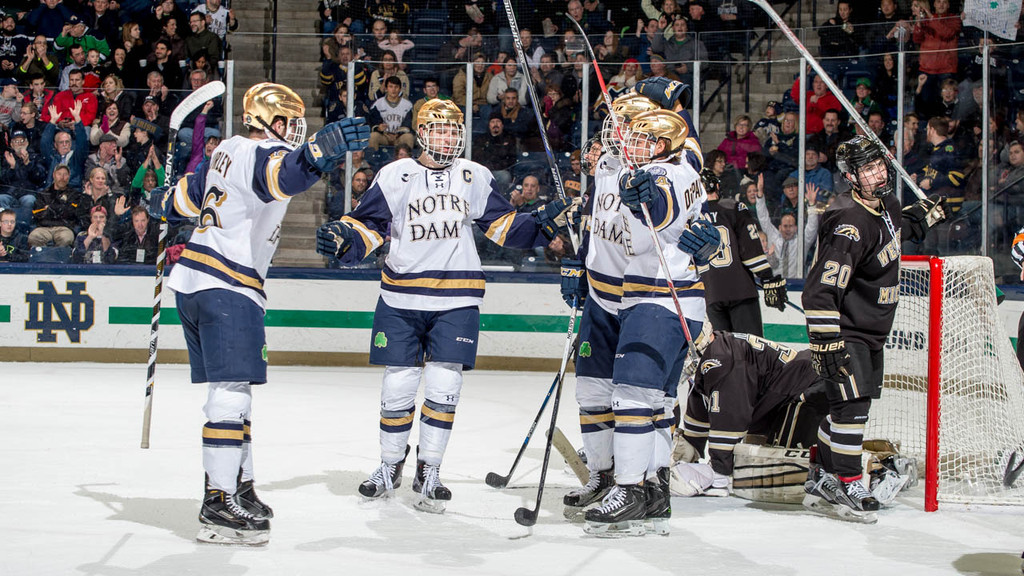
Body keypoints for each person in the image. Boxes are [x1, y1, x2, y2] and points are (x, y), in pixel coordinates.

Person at [314, 99, 576, 514]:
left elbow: (502, 226)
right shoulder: (396, 174)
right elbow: (369, 225)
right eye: (440, 129)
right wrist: (346, 240)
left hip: (457, 297)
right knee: (398, 385)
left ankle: (430, 470)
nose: (448, 137)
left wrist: (539, 222)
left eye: (454, 130)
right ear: (421, 133)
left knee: (444, 385)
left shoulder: (474, 175)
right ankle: (389, 465)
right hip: (401, 296)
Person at [153, 82, 371, 545]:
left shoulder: (223, 151)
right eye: (292, 123)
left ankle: (240, 486)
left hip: (194, 283)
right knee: (230, 394)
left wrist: (161, 199)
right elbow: (282, 176)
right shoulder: (260, 151)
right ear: (273, 121)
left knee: (234, 392)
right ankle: (217, 502)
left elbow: (184, 199)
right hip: (227, 284)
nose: (296, 130)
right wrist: (319, 151)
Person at [573, 108, 710, 537]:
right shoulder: (671, 169)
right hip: (670, 298)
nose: (628, 142)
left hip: (659, 298)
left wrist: (645, 196)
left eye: (640, 137)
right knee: (654, 402)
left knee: (632, 396)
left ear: (662, 145)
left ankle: (629, 488)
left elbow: (662, 204)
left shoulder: (662, 173)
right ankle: (653, 489)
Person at [801, 136, 946, 523]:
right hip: (846, 330)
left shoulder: (888, 205)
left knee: (843, 408)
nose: (878, 173)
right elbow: (819, 291)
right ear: (851, 177)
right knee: (853, 408)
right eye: (867, 169)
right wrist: (827, 342)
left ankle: (820, 474)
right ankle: (849, 481)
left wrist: (921, 219)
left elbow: (893, 234)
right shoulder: (848, 224)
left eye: (879, 165)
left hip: (872, 331)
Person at [673, 330, 824, 497]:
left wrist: (719, 471)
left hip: (810, 388)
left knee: (782, 479)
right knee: (754, 465)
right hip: (786, 393)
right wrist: (689, 446)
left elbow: (730, 417)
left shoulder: (721, 359)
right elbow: (701, 408)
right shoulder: (715, 354)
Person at [697, 169, 785, 336]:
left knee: (722, 349)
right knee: (749, 348)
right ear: (716, 186)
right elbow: (750, 250)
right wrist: (767, 277)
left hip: (710, 294)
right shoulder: (733, 208)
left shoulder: (691, 217)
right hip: (740, 291)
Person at [29, 165, 79, 248]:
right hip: (44, 227)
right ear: (54, 175)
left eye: (65, 174)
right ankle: (41, 256)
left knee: (66, 238)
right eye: (59, 174)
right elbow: (38, 214)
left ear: (69, 176)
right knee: (34, 237)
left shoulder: (74, 194)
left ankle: (60, 256)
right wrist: (62, 207)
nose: (62, 177)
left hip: (64, 227)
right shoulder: (43, 194)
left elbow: (72, 213)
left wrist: (49, 208)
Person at [366, 76, 414, 151]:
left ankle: (406, 158)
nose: (393, 90)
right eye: (390, 87)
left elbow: (408, 124)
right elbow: (373, 122)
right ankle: (372, 158)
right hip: (384, 136)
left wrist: (398, 134)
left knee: (409, 137)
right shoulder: (378, 104)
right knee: (373, 136)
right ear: (386, 88)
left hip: (400, 137)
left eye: (396, 87)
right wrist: (379, 128)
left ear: (400, 89)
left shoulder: (407, 105)